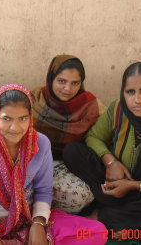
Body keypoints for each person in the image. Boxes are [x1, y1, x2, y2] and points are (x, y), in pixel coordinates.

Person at [0, 83, 106, 244]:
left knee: (96, 233)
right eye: (6, 119)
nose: (15, 127)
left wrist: (39, 223)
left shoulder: (41, 143)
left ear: (30, 117)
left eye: (23, 118)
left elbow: (43, 190)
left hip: (28, 216)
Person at [64, 62, 141, 243]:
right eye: (130, 92)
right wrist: (111, 162)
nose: (137, 99)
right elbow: (94, 137)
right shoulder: (119, 109)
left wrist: (136, 185)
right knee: (73, 151)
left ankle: (100, 217)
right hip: (112, 187)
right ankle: (133, 221)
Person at [31, 54, 105, 213]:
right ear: (51, 78)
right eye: (61, 81)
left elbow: (103, 137)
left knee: (78, 198)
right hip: (36, 161)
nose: (67, 89)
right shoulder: (35, 99)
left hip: (71, 165)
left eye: (75, 83)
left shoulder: (91, 105)